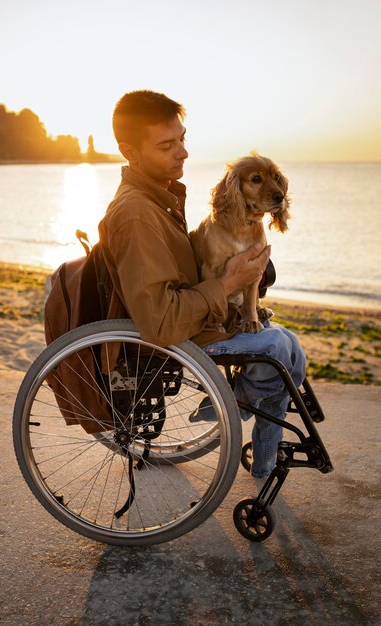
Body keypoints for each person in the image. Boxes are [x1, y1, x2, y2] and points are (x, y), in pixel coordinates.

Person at [98, 90, 306, 478]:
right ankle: (232, 403)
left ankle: (263, 458)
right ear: (130, 151)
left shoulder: (160, 199)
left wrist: (242, 283)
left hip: (202, 319)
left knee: (293, 349)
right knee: (277, 347)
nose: (183, 153)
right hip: (178, 335)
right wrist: (231, 280)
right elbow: (158, 322)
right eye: (167, 145)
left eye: (182, 140)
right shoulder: (136, 215)